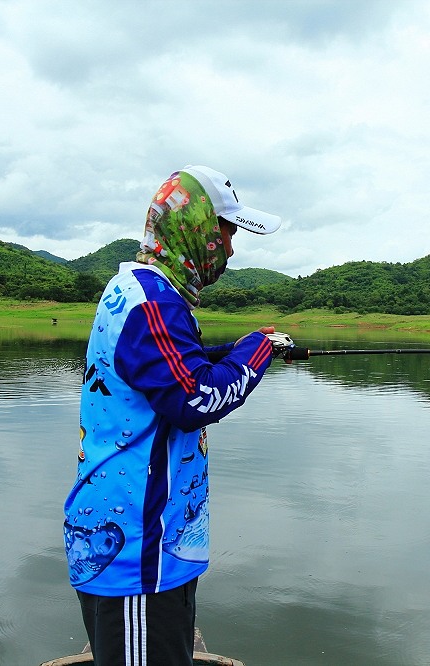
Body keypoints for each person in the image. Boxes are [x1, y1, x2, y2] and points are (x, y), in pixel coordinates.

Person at [64, 165, 282, 665]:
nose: (230, 248)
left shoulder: (147, 294)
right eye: (226, 232)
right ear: (196, 228)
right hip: (137, 552)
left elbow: (180, 366)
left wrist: (254, 346)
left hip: (153, 549)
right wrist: (255, 355)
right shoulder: (151, 304)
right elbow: (193, 399)